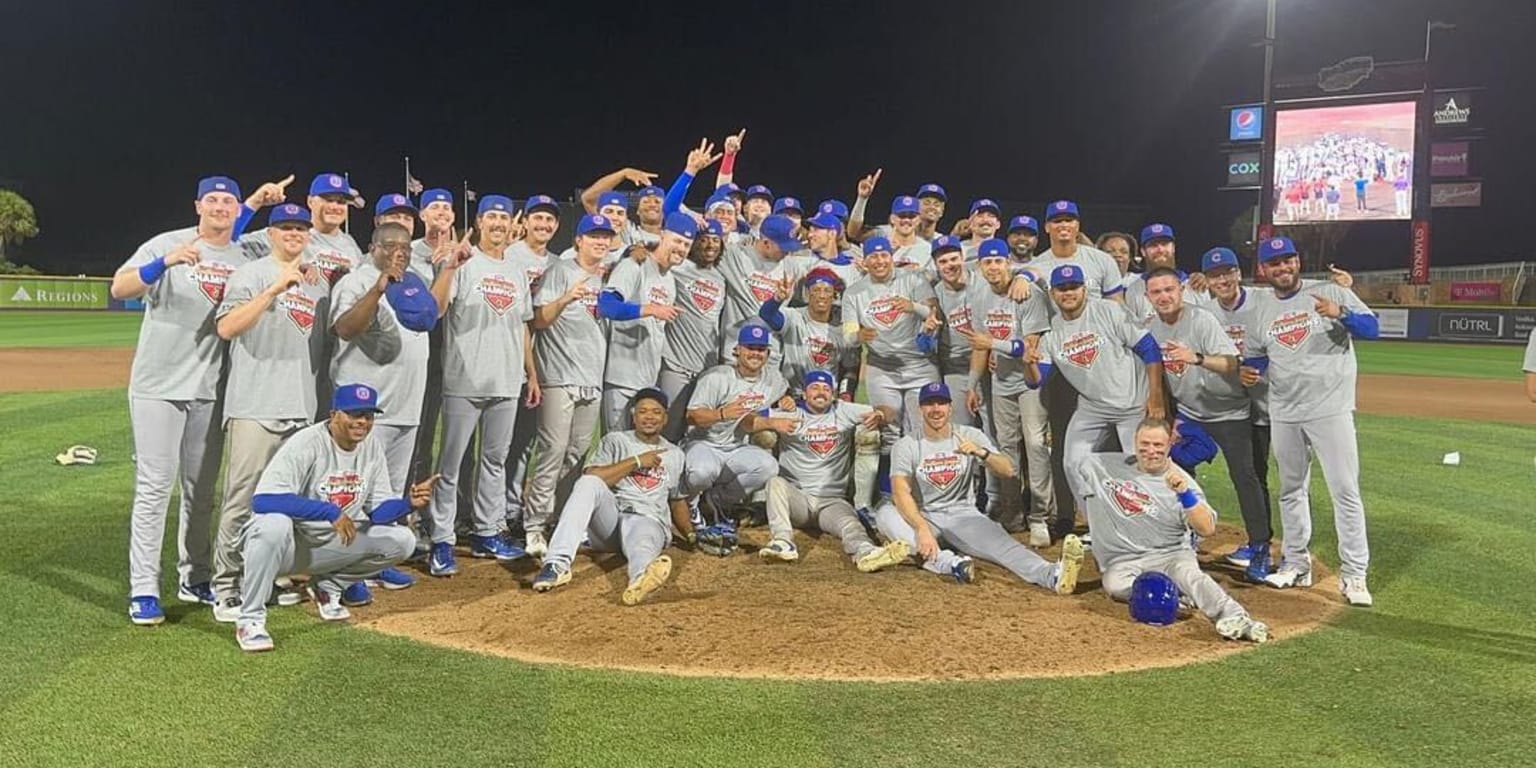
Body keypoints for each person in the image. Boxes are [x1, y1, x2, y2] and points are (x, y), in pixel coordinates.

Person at [114, 176, 253, 624]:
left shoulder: (245, 254)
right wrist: (165, 263)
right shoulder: (167, 243)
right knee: (155, 489)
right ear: (197, 205)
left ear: (236, 210)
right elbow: (119, 289)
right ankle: (143, 589)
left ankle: (195, 576)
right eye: (211, 199)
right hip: (157, 386)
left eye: (228, 201)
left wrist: (259, 201)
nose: (220, 206)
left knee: (201, 491)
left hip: (210, 389)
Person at [233, 384, 428, 651]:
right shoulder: (306, 442)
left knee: (402, 540)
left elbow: (378, 512)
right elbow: (263, 500)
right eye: (354, 414)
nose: (362, 422)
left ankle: (329, 586)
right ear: (334, 414)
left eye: (368, 416)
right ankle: (250, 620)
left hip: (329, 546)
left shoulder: (370, 447)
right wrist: (329, 511)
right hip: (287, 546)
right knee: (272, 525)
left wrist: (408, 503)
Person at [208, 202, 332, 621]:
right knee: (242, 501)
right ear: (272, 233)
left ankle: (273, 578)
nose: (294, 234)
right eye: (285, 228)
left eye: (300, 228)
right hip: (255, 406)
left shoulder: (318, 285)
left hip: (301, 407)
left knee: (289, 504)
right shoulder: (251, 274)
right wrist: (273, 291)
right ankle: (225, 586)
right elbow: (226, 328)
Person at [1241, 236, 1379, 606]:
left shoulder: (1330, 292)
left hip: (1330, 408)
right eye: (1274, 264)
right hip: (1283, 411)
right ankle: (1296, 564)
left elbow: (1372, 329)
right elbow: (1256, 358)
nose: (1282, 268)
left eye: (1287, 260)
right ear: (1264, 270)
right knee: (1290, 489)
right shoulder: (1261, 310)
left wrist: (1341, 313)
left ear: (1297, 261)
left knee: (1344, 491)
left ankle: (1354, 574)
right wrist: (1248, 373)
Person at [874, 382, 1084, 592]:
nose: (936, 409)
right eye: (929, 404)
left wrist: (981, 453)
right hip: (921, 514)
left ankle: (1052, 575)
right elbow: (901, 491)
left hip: (962, 516)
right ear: (920, 409)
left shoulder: (969, 435)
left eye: (941, 403)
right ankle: (950, 563)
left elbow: (1008, 469)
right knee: (885, 514)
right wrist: (921, 529)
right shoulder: (907, 444)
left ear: (950, 407)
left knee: (1004, 547)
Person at [1076, 419, 1269, 643]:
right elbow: (1074, 462)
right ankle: (1177, 598)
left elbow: (1207, 529)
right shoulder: (1103, 465)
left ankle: (1236, 618)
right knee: (1114, 585)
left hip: (1170, 556)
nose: (1151, 451)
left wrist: (1185, 495)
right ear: (1134, 442)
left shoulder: (1181, 482)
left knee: (1192, 578)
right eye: (1145, 444)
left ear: (1170, 444)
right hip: (1124, 560)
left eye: (1158, 445)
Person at [423, 195, 536, 575]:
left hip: (506, 378)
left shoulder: (517, 269)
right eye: (492, 217)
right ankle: (442, 539)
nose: (499, 224)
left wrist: (530, 373)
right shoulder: (465, 262)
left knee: (494, 461)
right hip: (464, 377)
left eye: (504, 218)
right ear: (481, 222)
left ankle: (488, 532)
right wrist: (450, 268)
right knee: (451, 464)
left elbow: (521, 324)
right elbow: (438, 310)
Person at [1143, 266, 1272, 581]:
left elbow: (1231, 363)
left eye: (1169, 289)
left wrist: (1197, 358)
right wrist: (1169, 418)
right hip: (1190, 414)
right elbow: (1157, 376)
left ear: (1181, 290)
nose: (1164, 296)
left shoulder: (1201, 319)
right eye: (1156, 291)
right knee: (1172, 469)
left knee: (1245, 477)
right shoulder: (1150, 329)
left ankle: (1259, 547)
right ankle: (1184, 535)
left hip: (1229, 412)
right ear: (1148, 296)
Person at [329, 221, 435, 596]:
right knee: (353, 494)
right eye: (389, 245)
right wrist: (377, 290)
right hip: (364, 411)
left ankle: (377, 563)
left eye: (404, 246)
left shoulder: (415, 282)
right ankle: (344, 572)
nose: (398, 252)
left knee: (387, 497)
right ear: (372, 247)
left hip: (406, 405)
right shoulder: (356, 281)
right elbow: (344, 328)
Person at [1021, 264, 1167, 513]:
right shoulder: (1052, 330)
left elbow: (1149, 348)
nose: (1068, 293)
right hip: (1093, 407)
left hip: (1133, 402)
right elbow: (1036, 381)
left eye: (1073, 287)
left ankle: (1160, 518)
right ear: (1052, 293)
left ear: (1084, 289)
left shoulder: (1108, 310)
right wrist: (1028, 363)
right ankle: (1098, 523)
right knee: (1073, 462)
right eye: (1062, 288)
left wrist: (1156, 396)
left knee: (1144, 464)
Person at [530, 388, 692, 605]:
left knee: (642, 545)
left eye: (656, 412)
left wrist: (691, 534)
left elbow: (677, 499)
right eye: (643, 411)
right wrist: (635, 461)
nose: (649, 417)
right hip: (610, 523)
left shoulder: (675, 454)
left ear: (665, 418)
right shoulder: (615, 441)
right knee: (589, 483)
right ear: (634, 416)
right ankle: (556, 565)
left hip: (647, 519)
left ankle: (640, 581)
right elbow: (591, 475)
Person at [524, 213, 617, 558]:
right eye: (594, 236)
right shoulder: (561, 270)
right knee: (552, 452)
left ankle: (564, 522)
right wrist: (566, 298)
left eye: (605, 237)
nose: (601, 241)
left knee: (576, 456)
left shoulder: (607, 277)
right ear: (578, 240)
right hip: (559, 376)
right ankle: (533, 526)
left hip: (591, 378)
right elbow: (538, 319)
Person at [759, 371, 909, 571]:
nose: (821, 393)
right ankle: (782, 541)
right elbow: (748, 420)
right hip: (797, 500)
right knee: (775, 482)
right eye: (814, 388)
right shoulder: (790, 412)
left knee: (851, 525)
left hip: (832, 501)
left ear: (833, 394)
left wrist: (879, 414)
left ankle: (865, 552)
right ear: (803, 393)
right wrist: (771, 420)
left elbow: (890, 412)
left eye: (826, 389)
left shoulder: (843, 410)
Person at [962, 239, 1053, 544]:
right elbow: (979, 344)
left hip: (1031, 381)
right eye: (988, 263)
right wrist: (972, 385)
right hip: (1000, 383)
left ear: (1008, 263)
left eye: (999, 261)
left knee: (1037, 444)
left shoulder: (1027, 293)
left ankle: (1040, 516)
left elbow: (1030, 349)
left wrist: (992, 345)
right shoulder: (979, 296)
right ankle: (1013, 513)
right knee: (1007, 448)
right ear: (980, 267)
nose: (993, 268)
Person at [842, 235, 941, 507]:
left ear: (891, 256)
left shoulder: (913, 279)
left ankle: (922, 496)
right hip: (882, 368)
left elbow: (933, 314)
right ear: (865, 261)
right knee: (887, 430)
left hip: (920, 365)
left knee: (921, 430)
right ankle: (887, 496)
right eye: (873, 256)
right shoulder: (855, 292)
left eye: (883, 255)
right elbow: (848, 335)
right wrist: (858, 335)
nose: (879, 261)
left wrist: (914, 307)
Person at [598, 212, 697, 431]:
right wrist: (651, 309)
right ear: (662, 236)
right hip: (621, 376)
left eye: (687, 244)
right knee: (616, 446)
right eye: (677, 241)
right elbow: (607, 306)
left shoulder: (669, 278)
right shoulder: (634, 265)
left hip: (648, 378)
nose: (681, 248)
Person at [682, 324, 789, 524]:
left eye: (760, 349)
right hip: (703, 444)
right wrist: (722, 413)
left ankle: (716, 500)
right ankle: (690, 505)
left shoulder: (773, 379)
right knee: (701, 473)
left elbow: (779, 397)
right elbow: (692, 416)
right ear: (737, 350)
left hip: (735, 448)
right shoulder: (716, 376)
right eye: (750, 348)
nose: (755, 354)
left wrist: (786, 400)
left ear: (767, 353)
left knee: (768, 467)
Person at [658, 219, 728, 441]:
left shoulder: (721, 277)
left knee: (699, 432)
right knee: (668, 427)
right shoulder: (679, 268)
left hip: (707, 368)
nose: (710, 245)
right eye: (704, 240)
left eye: (715, 240)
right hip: (675, 364)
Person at [758, 267, 856, 395]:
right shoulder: (794, 317)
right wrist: (777, 299)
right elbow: (766, 314)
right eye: (816, 290)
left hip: (826, 398)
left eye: (827, 291)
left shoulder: (842, 327)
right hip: (793, 395)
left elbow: (849, 367)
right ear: (808, 293)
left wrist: (845, 394)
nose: (821, 295)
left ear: (834, 295)